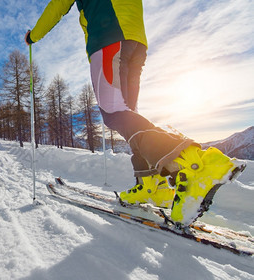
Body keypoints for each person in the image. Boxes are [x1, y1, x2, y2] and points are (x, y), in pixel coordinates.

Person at [25, 0, 245, 227]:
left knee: (114, 112)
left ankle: (194, 165)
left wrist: (33, 36)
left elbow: (58, 5)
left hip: (108, 35)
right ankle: (152, 185)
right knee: (130, 114)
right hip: (136, 39)